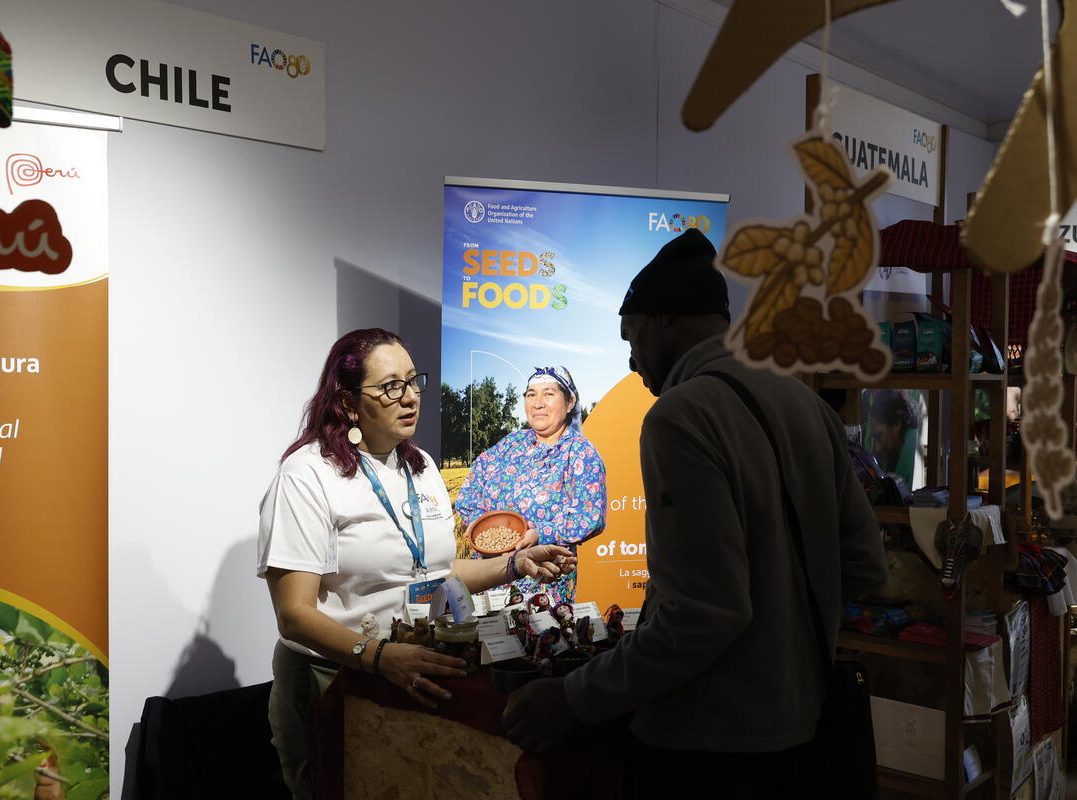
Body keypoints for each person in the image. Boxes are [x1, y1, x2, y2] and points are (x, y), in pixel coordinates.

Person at [503, 229, 888, 797]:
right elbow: (864, 565)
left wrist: (573, 696)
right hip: (806, 728)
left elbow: (702, 614)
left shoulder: (680, 415)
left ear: (664, 319)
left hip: (709, 745)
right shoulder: (806, 404)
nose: (631, 359)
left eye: (632, 336)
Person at [257, 328, 576, 799]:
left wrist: (515, 563)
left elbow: (436, 574)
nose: (410, 397)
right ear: (347, 403)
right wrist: (380, 657)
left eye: (412, 381)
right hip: (334, 678)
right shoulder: (308, 475)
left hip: (411, 667)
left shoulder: (421, 467)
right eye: (391, 387)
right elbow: (294, 614)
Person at [455, 365, 607, 605]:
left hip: (542, 581)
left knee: (535, 628)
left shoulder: (580, 452)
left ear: (569, 403)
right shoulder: (511, 443)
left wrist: (540, 534)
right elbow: (471, 489)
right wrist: (479, 525)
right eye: (531, 395)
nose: (538, 403)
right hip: (489, 577)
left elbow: (589, 516)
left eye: (548, 394)